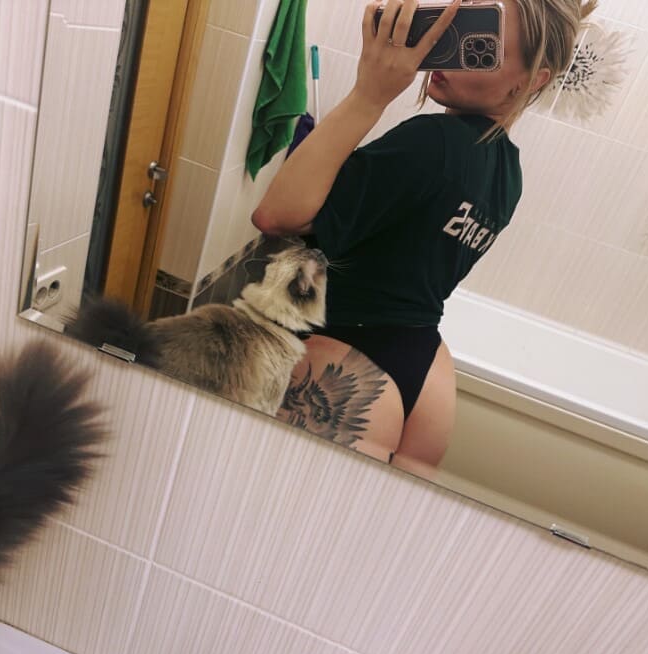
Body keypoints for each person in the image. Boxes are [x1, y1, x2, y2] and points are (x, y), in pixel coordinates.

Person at [252, 0, 597, 469]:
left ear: (531, 81)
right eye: (457, 27)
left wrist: (369, 94)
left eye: (481, 45)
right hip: (425, 375)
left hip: (345, 364)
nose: (450, 50)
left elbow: (276, 215)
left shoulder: (433, 141)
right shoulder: (507, 173)